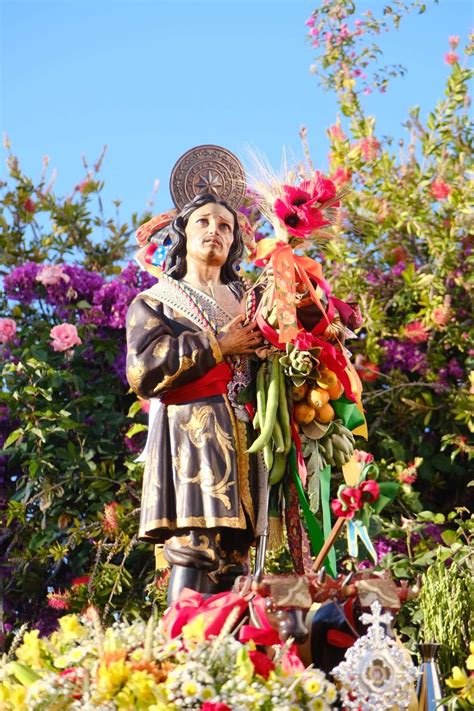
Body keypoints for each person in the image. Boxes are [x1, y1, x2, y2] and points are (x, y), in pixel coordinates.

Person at [126, 193, 264, 603]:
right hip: (193, 439)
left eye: (225, 225)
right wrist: (218, 344)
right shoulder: (156, 302)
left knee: (236, 565)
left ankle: (233, 661)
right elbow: (143, 371)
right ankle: (183, 655)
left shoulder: (251, 301)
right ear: (182, 233)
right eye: (203, 221)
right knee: (195, 551)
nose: (214, 231)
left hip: (245, 440)